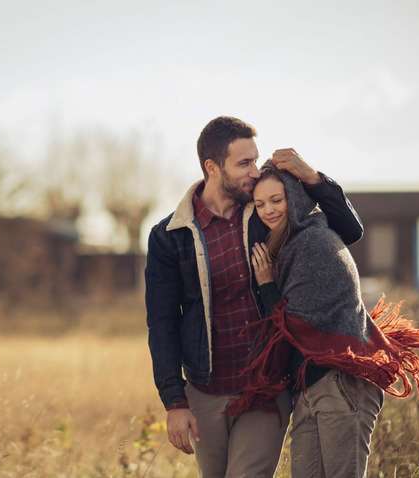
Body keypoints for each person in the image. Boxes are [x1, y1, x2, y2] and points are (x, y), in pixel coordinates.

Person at [144, 116, 364, 477]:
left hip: (265, 388)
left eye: (255, 159)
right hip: (205, 390)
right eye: (244, 163)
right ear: (212, 167)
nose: (255, 171)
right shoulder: (170, 236)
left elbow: (349, 229)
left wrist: (311, 176)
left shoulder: (265, 212)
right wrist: (174, 402)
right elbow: (162, 322)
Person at [234, 165, 419, 477]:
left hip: (340, 383)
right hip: (311, 385)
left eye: (276, 200)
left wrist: (267, 285)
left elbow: (295, 325)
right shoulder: (289, 246)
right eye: (260, 204)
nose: (268, 210)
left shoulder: (313, 244)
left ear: (294, 198)